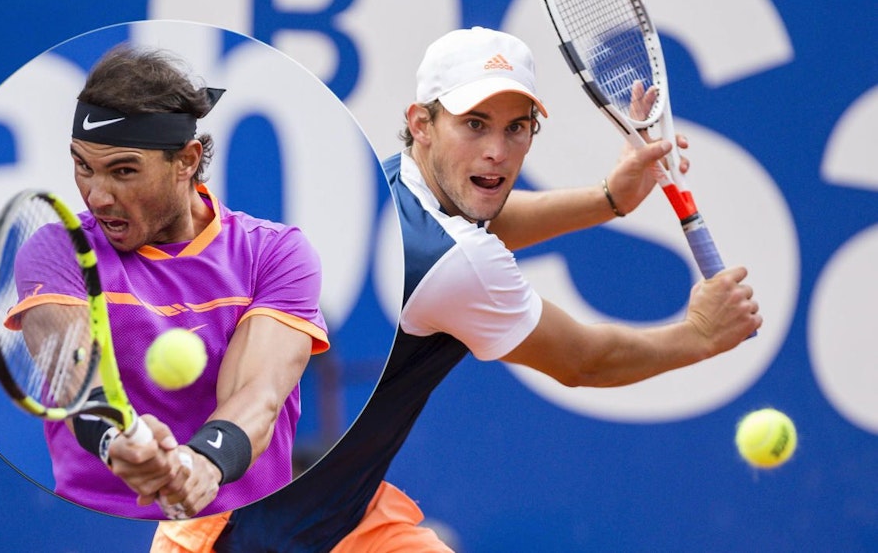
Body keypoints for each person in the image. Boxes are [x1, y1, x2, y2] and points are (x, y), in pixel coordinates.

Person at [152, 27, 761, 551]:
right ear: (422, 123)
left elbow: (483, 222)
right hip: (255, 532)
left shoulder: (394, 185)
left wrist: (608, 199)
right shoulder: (452, 262)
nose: (497, 152)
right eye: (474, 124)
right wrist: (701, 336)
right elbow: (584, 361)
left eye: (517, 128)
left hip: (332, 508)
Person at [8, 44, 329, 519]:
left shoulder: (275, 254)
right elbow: (79, 386)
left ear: (186, 160)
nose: (97, 195)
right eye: (83, 166)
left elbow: (257, 394)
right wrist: (120, 442)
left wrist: (203, 462)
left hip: (244, 536)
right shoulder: (58, 251)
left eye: (123, 171)